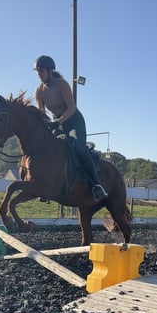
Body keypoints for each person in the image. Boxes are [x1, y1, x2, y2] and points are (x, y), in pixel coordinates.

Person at [33, 54, 108, 202]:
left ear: (49, 70)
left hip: (73, 121)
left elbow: (72, 108)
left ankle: (97, 185)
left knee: (79, 149)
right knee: (50, 148)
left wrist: (59, 122)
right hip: (56, 122)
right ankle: (48, 186)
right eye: (37, 72)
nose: (39, 74)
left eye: (41, 71)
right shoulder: (39, 91)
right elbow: (42, 113)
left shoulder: (61, 84)